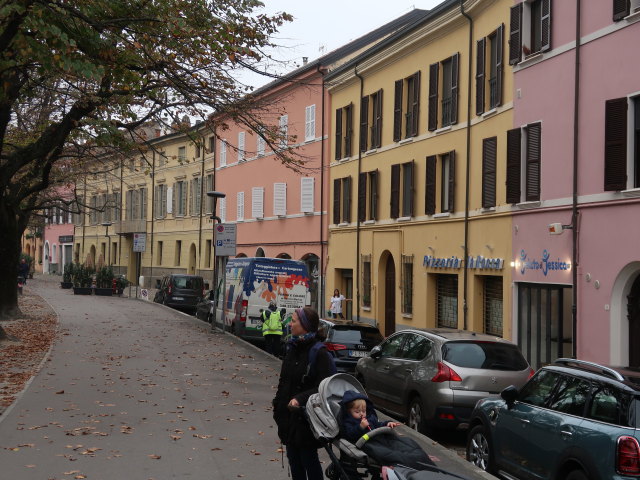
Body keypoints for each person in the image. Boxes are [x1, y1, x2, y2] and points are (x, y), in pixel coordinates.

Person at [272, 307, 334, 480]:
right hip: (288, 417)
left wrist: (299, 399)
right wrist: (277, 404)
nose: (290, 324)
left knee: (308, 460)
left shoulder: (319, 353)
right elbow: (284, 381)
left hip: (307, 419)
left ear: (305, 325)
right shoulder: (292, 348)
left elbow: (324, 387)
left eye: (294, 321)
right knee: (294, 461)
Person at [339, 390, 434, 470]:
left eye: (363, 411)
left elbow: (377, 424)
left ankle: (427, 466)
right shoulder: (349, 422)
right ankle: (407, 467)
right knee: (394, 456)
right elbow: (349, 434)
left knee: (408, 444)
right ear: (348, 411)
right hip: (369, 443)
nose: (361, 414)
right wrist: (360, 427)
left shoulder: (369, 418)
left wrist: (387, 423)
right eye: (357, 411)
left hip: (382, 438)